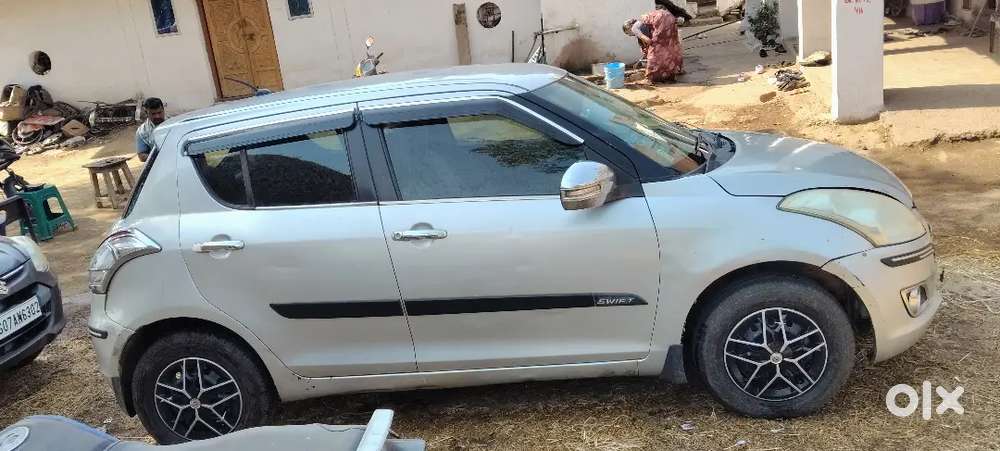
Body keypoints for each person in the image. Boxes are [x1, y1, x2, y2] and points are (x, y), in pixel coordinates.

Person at [136, 97, 166, 162]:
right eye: (153, 114)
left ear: (163, 110)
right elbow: (141, 156)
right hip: (158, 163)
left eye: (159, 112)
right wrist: (161, 156)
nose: (157, 116)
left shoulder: (174, 123)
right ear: (146, 113)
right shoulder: (142, 131)